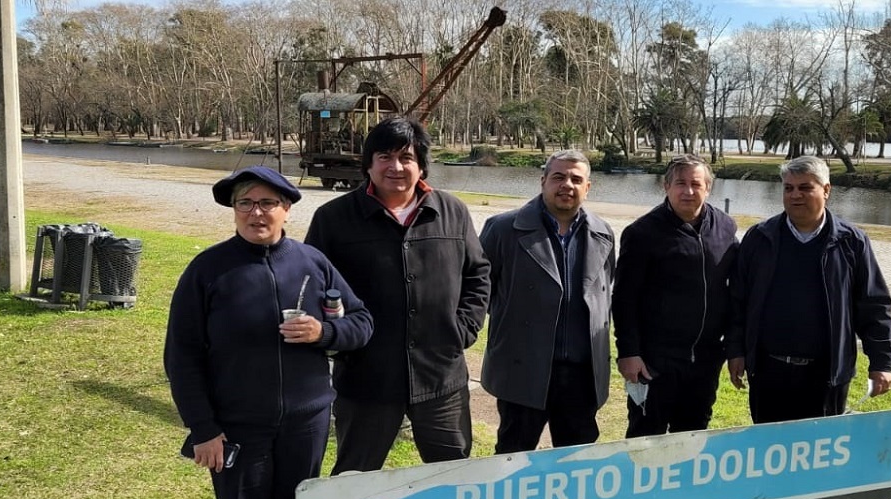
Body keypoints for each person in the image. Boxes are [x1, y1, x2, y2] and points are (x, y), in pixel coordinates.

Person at [164, 166, 373, 499]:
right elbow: (182, 355)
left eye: (267, 203)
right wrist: (204, 430)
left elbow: (362, 323)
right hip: (237, 426)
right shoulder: (209, 270)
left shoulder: (313, 263)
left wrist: (324, 335)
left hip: (307, 418)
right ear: (234, 211)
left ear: (287, 208)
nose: (257, 212)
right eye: (245, 203)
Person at [726, 155, 891, 499]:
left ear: (826, 190)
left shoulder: (851, 241)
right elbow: (739, 301)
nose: (796, 195)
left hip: (826, 372)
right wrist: (735, 350)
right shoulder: (761, 238)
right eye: (789, 188)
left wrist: (881, 359)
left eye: (805, 187)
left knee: (819, 452)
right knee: (771, 449)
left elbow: (874, 305)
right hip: (769, 368)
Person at [305, 116, 490, 472]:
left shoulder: (451, 212)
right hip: (366, 379)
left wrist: (463, 328)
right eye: (384, 157)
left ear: (421, 165)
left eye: (406, 157)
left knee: (453, 479)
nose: (396, 166)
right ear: (368, 164)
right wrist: (338, 338)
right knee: (354, 483)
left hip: (441, 379)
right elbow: (313, 286)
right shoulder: (334, 218)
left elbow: (478, 273)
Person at [479, 150, 615, 454]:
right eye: (558, 176)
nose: (567, 184)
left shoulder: (603, 233)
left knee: (576, 464)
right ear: (543, 181)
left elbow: (603, 294)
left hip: (581, 374)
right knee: (513, 457)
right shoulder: (503, 229)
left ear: (588, 188)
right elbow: (480, 291)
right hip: (523, 369)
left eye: (576, 179)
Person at [613, 154, 738, 437]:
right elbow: (624, 298)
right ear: (666, 186)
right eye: (680, 183)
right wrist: (628, 352)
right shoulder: (641, 233)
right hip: (654, 360)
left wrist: (733, 346)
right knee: (646, 437)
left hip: (705, 360)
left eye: (696, 184)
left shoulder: (725, 227)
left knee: (693, 434)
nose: (688, 191)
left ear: (708, 188)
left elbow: (734, 292)